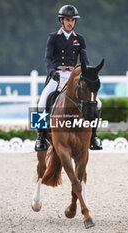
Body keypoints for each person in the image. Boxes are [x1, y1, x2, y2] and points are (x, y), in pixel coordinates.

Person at [35, 4, 102, 151]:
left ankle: (94, 137)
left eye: (72, 20)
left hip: (74, 76)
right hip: (57, 75)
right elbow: (47, 58)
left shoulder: (80, 39)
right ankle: (40, 137)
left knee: (98, 103)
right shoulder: (53, 37)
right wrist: (52, 71)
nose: (70, 23)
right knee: (42, 103)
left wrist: (87, 73)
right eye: (67, 20)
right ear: (61, 20)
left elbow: (84, 61)